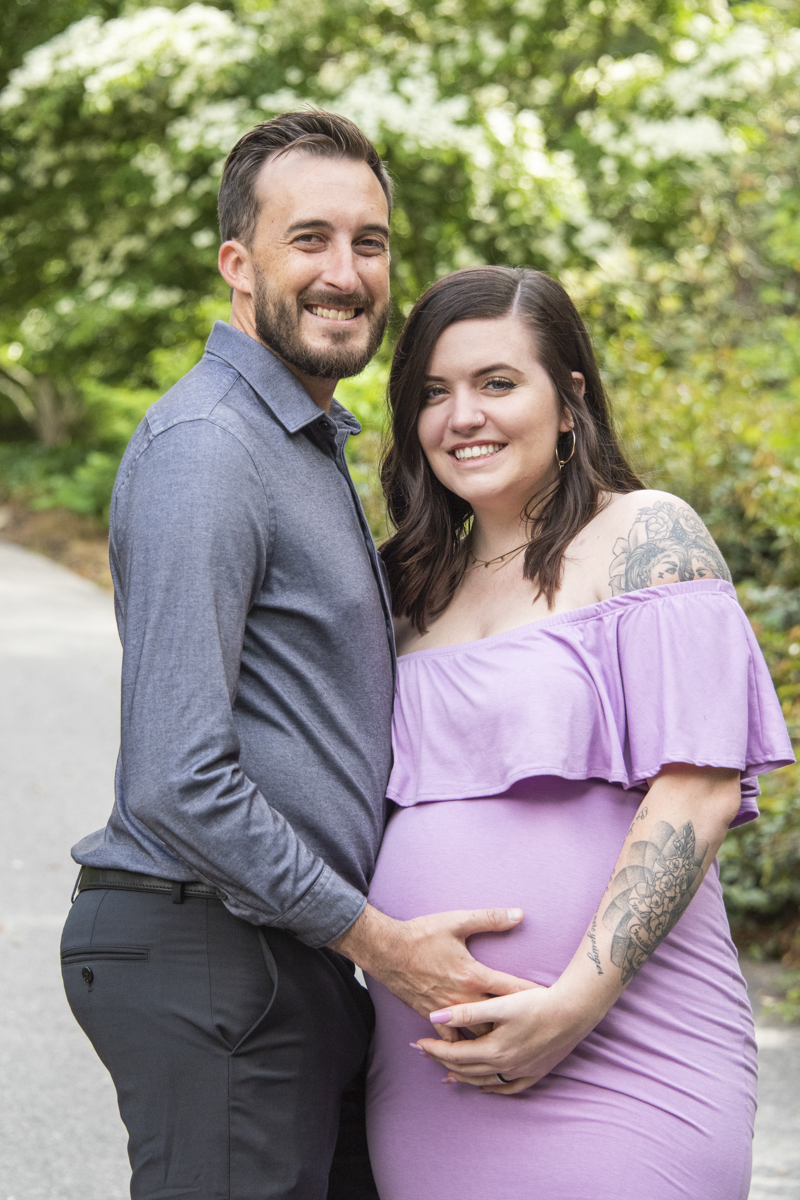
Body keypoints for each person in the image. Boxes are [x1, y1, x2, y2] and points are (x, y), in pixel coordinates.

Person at [60, 115, 530, 1200]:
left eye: (369, 242)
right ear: (239, 264)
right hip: (209, 948)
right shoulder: (210, 449)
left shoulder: (303, 445)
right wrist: (386, 942)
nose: (344, 271)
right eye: (308, 238)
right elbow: (177, 779)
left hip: (283, 957)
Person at [365, 266, 794, 1200]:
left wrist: (570, 1008)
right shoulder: (397, 585)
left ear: (568, 401)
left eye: (495, 383)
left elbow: (699, 788)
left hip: (625, 1044)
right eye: (432, 393)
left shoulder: (644, 537)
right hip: (430, 1070)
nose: (461, 416)